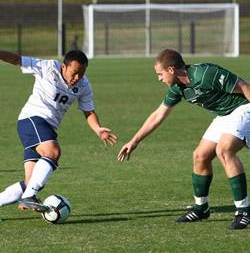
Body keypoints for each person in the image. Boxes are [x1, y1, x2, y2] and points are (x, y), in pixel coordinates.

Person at [117, 48, 250, 230]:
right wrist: (134, 141)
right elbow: (158, 115)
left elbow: (244, 87)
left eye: (160, 74)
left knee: (224, 150)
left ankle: (244, 211)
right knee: (200, 156)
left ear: (171, 69)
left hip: (243, 108)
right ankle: (201, 208)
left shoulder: (205, 73)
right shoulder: (177, 88)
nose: (159, 78)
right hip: (224, 115)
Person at [0, 50, 117, 211]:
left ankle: (27, 194)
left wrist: (98, 129)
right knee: (53, 152)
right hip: (31, 119)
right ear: (63, 66)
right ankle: (29, 197)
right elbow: (16, 59)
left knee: (31, 182)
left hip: (47, 128)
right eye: (74, 73)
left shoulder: (84, 85)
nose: (77, 78)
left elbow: (88, 111)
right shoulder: (46, 67)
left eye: (81, 74)